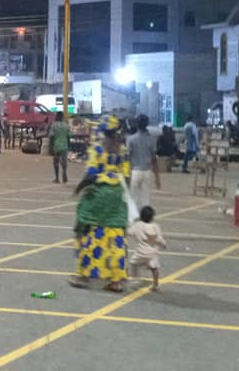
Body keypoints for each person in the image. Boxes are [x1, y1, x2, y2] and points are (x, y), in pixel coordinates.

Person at [69, 115, 130, 293]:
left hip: (98, 192)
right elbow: (127, 177)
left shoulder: (98, 149)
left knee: (86, 231)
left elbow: (91, 175)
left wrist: (78, 189)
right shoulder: (122, 150)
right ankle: (117, 280)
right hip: (116, 194)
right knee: (116, 234)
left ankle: (83, 275)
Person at [129, 205, 168, 291]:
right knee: (154, 268)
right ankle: (156, 284)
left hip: (140, 252)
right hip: (152, 253)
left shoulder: (138, 225)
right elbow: (159, 238)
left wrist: (132, 224)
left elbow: (130, 232)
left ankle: (136, 280)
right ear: (152, 217)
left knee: (134, 263)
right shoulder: (155, 227)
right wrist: (164, 244)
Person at [127, 115, 160, 211]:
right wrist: (157, 177)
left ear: (137, 125)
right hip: (147, 171)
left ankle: (134, 220)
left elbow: (128, 157)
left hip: (135, 171)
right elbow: (154, 159)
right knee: (145, 199)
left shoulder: (131, 139)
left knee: (133, 198)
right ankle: (145, 220)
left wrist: (127, 173)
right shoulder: (151, 139)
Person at [49, 112, 70, 183]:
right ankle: (64, 172)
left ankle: (57, 178)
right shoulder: (66, 125)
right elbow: (68, 136)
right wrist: (68, 145)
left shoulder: (54, 125)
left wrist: (50, 147)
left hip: (57, 145)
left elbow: (52, 137)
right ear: (62, 117)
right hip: (65, 145)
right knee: (64, 161)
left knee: (56, 162)